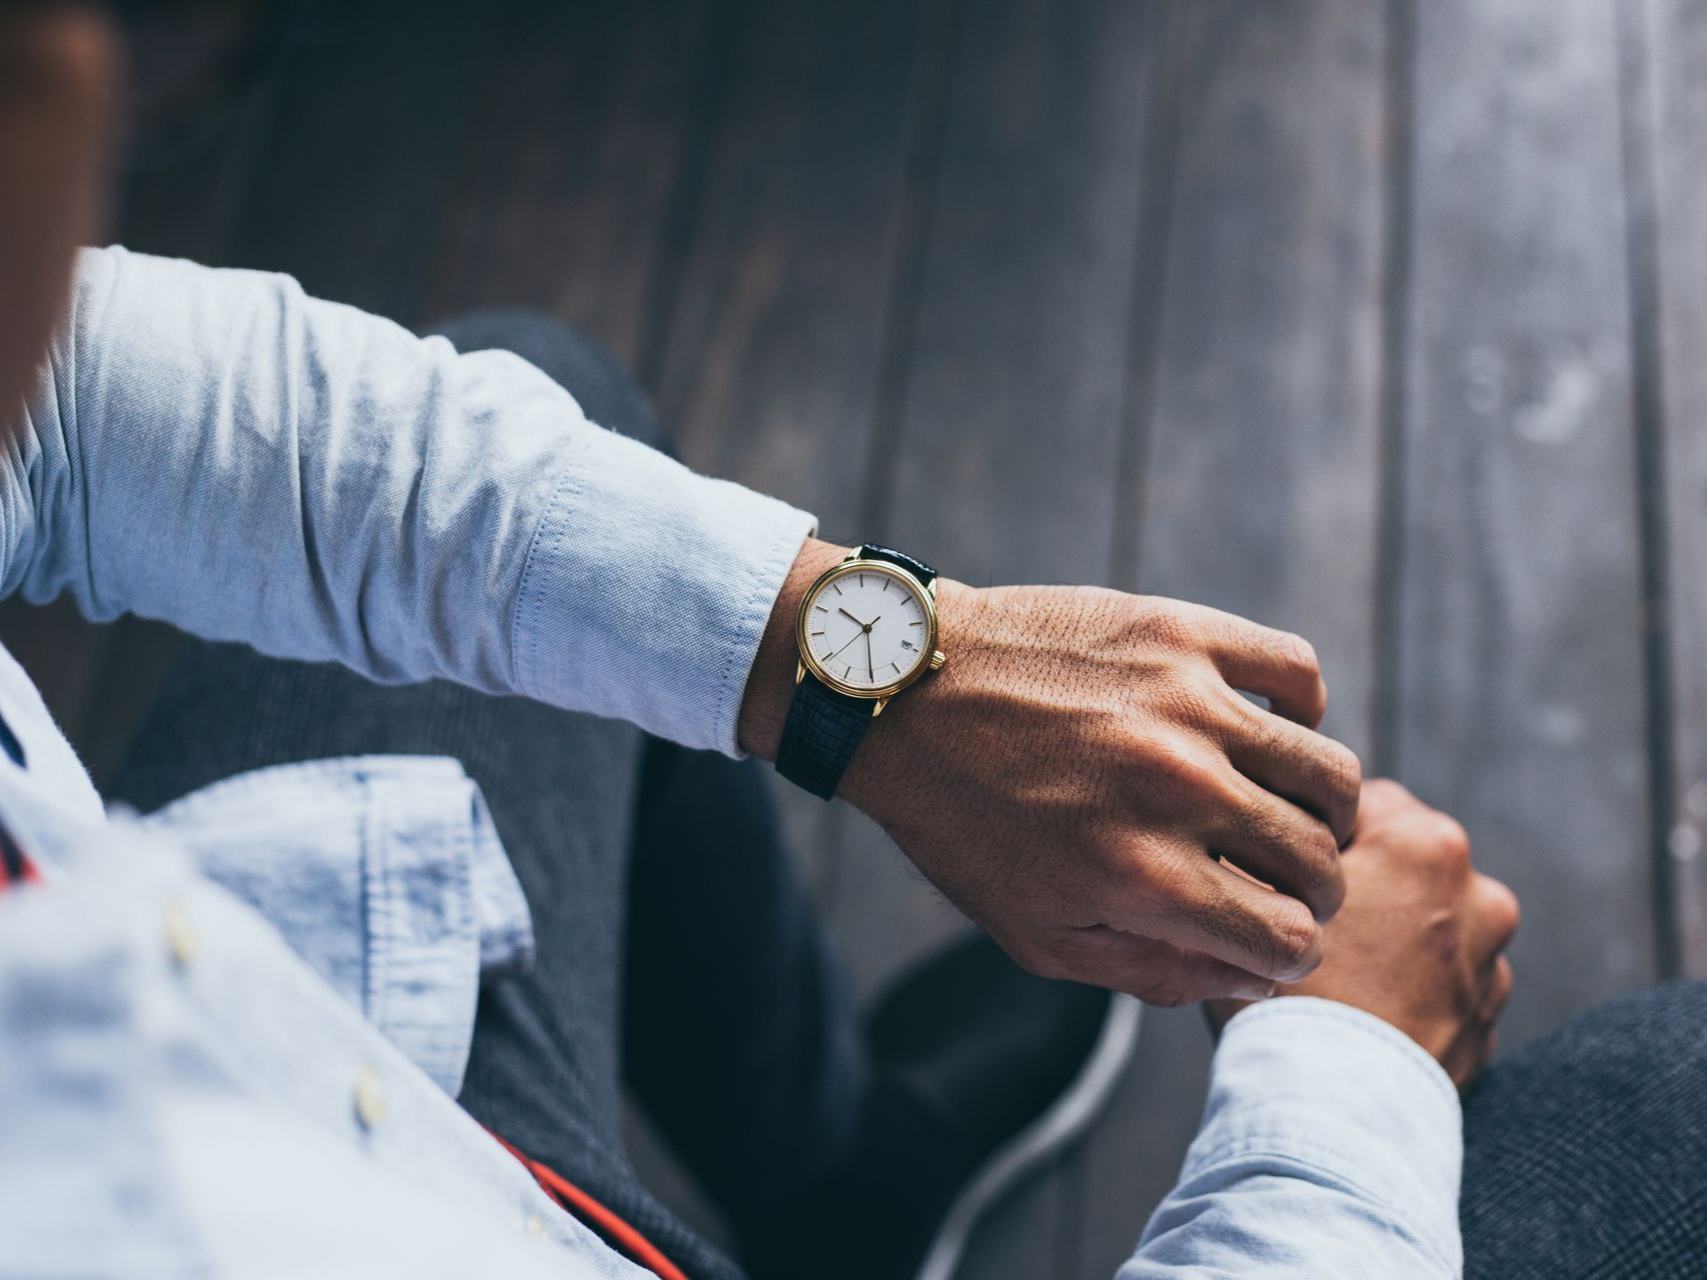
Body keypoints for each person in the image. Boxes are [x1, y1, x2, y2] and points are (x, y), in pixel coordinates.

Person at [0, 6, 1700, 1280]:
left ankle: (846, 1192)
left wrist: (864, 673)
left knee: (540, 383)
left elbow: (77, 408)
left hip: (268, 1038)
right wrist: (1349, 1072)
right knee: (1663, 1093)